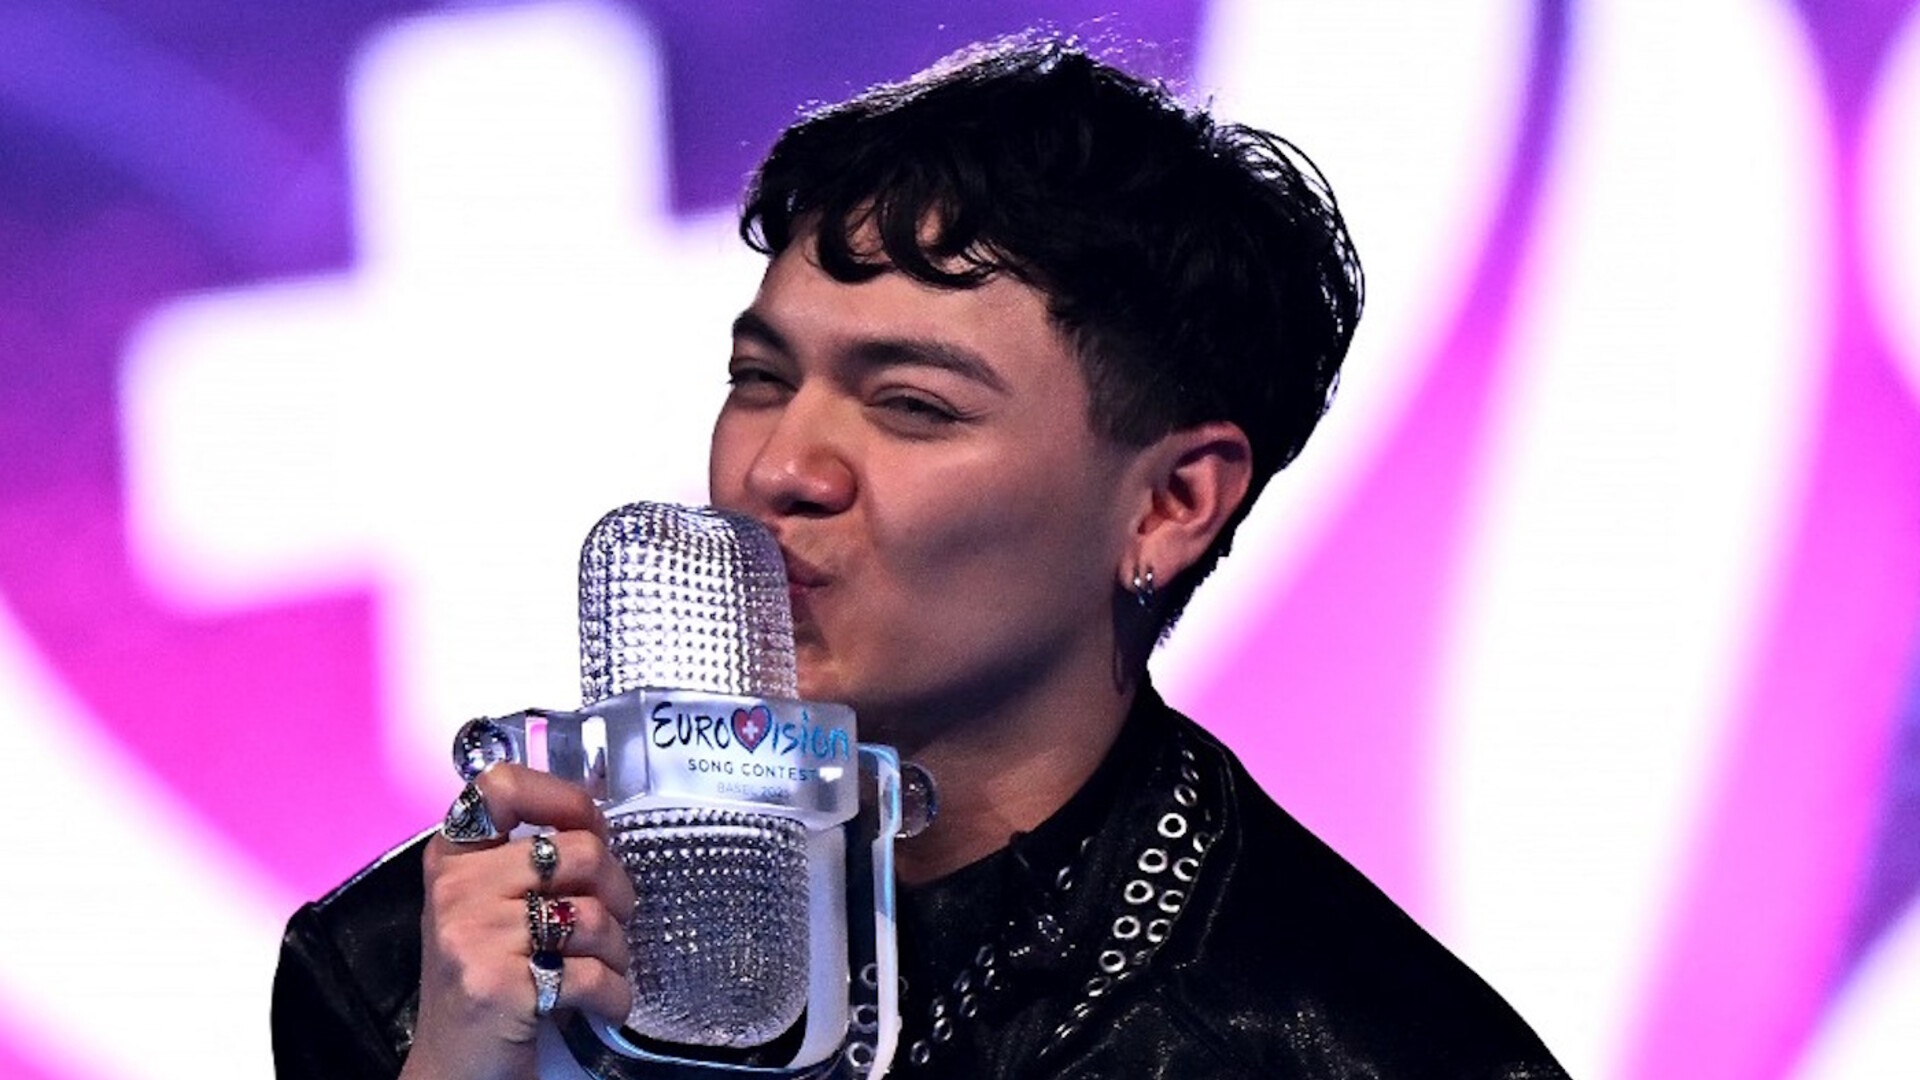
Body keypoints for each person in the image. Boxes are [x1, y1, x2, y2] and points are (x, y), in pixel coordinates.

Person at [272, 34, 1569, 1080]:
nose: (780, 467)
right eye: (759, 378)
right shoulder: (411, 976)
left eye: (911, 406)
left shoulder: (1363, 1048)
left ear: (1172, 503)